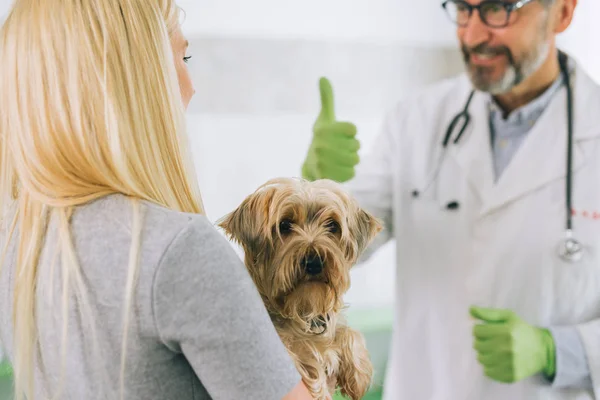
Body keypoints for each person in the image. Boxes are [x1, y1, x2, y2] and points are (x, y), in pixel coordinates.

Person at [0, 1, 314, 399]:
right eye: (182, 58)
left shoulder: (20, 242)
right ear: (135, 81)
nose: (191, 84)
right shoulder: (178, 251)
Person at [301, 0, 600, 399]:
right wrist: (316, 190)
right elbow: (343, 249)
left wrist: (557, 351)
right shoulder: (416, 120)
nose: (473, 35)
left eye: (498, 9)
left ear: (562, 13)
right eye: (463, 8)